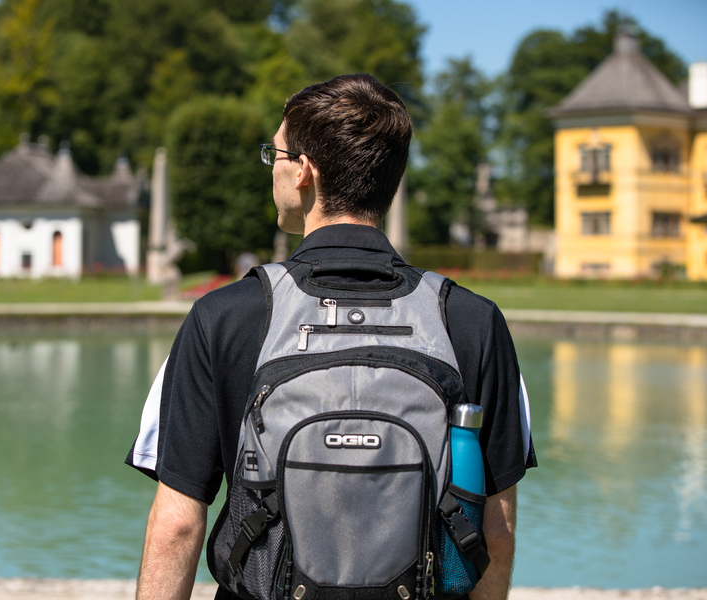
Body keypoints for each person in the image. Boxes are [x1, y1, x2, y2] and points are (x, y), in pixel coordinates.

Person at [125, 73, 536, 600]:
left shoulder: (224, 317)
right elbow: (494, 535)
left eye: (273, 154)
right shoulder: (473, 322)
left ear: (305, 171)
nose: (270, 168)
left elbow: (179, 525)